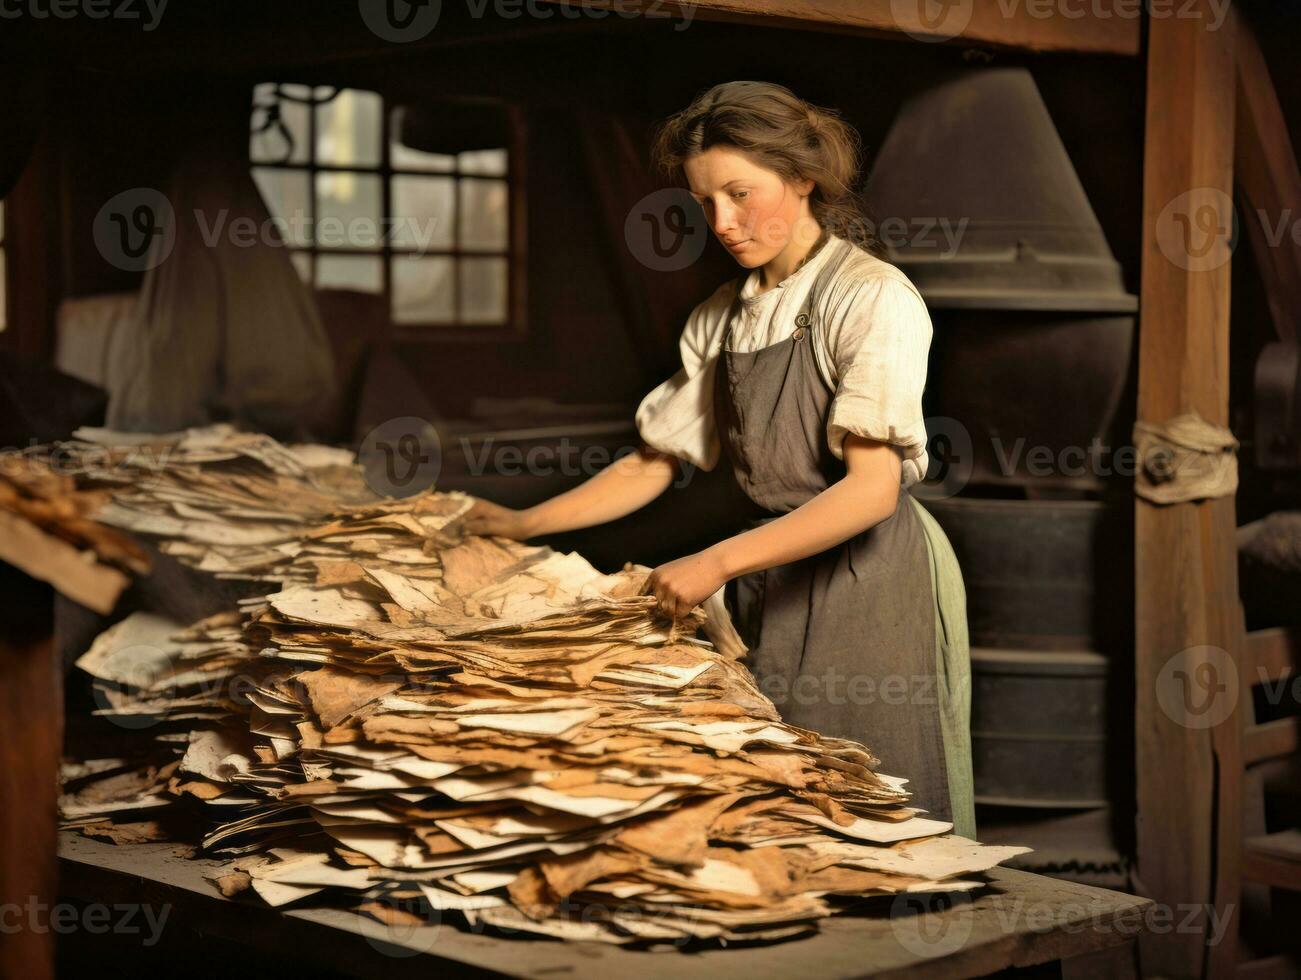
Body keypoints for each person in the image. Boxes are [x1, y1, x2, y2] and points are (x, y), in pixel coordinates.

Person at [464, 81, 974, 838]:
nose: (723, 224)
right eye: (705, 203)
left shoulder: (870, 297)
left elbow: (871, 491)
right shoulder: (722, 316)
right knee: (771, 791)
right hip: (767, 570)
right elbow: (652, 461)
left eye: (740, 194)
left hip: (868, 570)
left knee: (865, 801)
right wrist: (521, 521)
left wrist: (715, 563)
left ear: (803, 179)